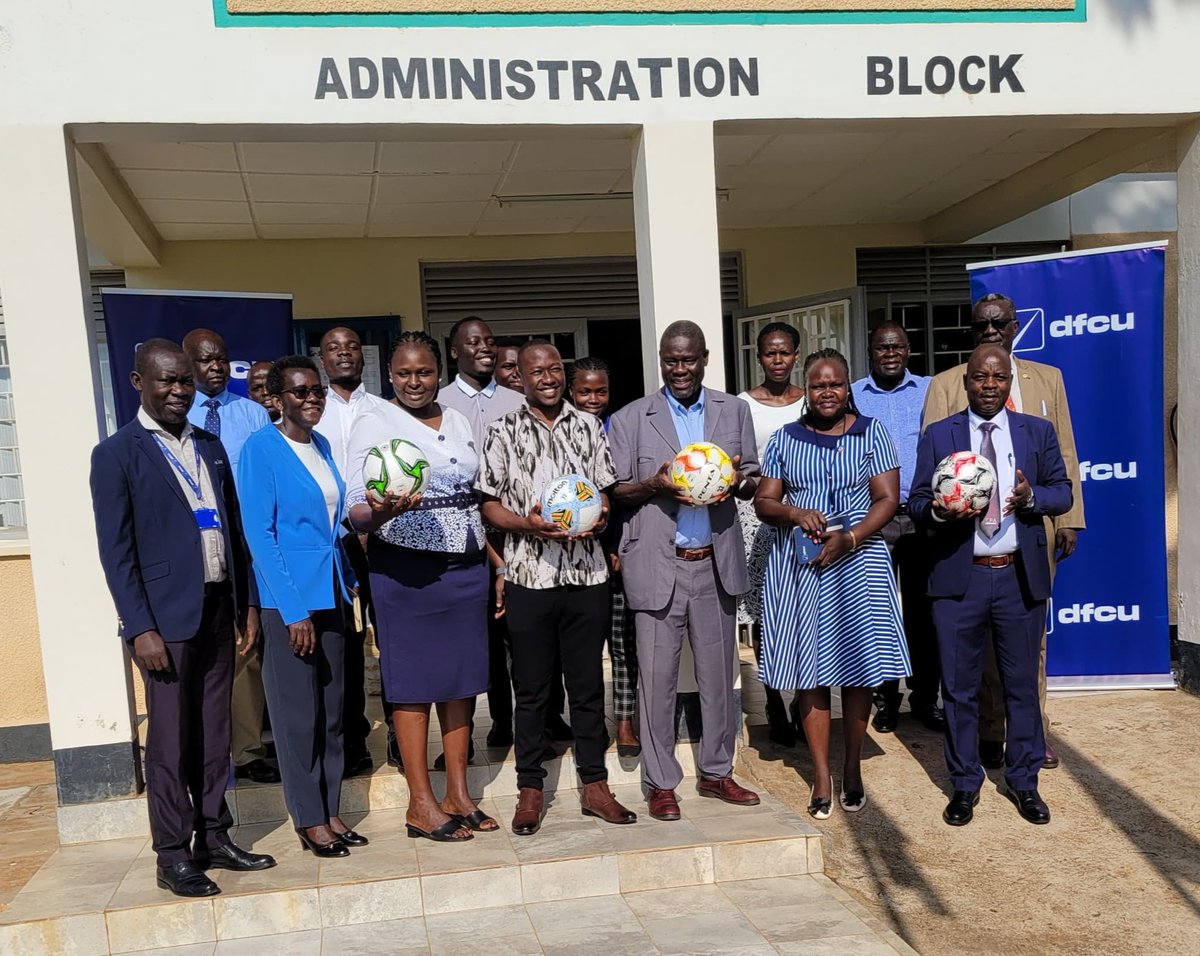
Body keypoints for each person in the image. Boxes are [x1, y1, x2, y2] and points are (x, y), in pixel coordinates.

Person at [90, 339, 275, 898]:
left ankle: (213, 836)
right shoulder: (117, 454)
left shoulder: (212, 447)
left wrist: (245, 604)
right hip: (163, 625)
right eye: (166, 381)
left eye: (185, 382)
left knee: (214, 732)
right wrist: (138, 627)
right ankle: (172, 854)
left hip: (219, 609)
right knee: (170, 741)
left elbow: (234, 533)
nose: (177, 391)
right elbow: (116, 551)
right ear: (137, 381)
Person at [909, 344, 1073, 827]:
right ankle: (964, 785)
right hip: (960, 581)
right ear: (966, 381)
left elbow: (1062, 490)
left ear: (1008, 382)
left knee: (1021, 686)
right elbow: (917, 501)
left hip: (1018, 577)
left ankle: (1024, 784)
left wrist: (1030, 498)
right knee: (958, 689)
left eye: (998, 378)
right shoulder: (941, 435)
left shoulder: (1036, 432)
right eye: (980, 377)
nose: (988, 385)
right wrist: (941, 509)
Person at [477, 340, 637, 835]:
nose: (546, 377)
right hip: (529, 575)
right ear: (519, 378)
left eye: (553, 369)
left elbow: (606, 495)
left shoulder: (589, 426)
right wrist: (527, 526)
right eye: (535, 371)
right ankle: (530, 788)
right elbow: (487, 504)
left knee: (588, 686)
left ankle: (595, 785)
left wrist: (602, 514)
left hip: (586, 575)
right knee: (531, 688)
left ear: (562, 376)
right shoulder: (501, 430)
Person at [923, 293, 1085, 770]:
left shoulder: (1046, 378)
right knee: (974, 658)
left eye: (999, 323)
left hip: (1028, 536)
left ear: (1015, 327)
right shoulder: (947, 383)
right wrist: (945, 506)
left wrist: (1068, 518)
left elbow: (1066, 454)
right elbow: (934, 466)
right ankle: (989, 734)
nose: (990, 331)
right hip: (966, 548)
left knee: (1027, 650)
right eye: (980, 325)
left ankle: (1031, 737)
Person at [346, 332, 497, 842]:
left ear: (439, 373)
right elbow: (356, 508)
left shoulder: (455, 418)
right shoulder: (373, 419)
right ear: (389, 375)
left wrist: (492, 562)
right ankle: (420, 803)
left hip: (466, 568)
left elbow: (472, 494)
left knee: (460, 684)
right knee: (412, 688)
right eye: (405, 373)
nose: (415, 382)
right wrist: (381, 510)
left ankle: (458, 793)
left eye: (424, 372)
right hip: (404, 571)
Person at [609, 321, 761, 822]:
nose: (680, 369)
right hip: (658, 565)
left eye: (689, 360)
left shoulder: (732, 410)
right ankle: (660, 782)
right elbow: (617, 492)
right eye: (671, 361)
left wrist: (738, 480)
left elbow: (752, 480)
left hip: (713, 563)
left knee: (720, 677)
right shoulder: (632, 418)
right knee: (657, 680)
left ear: (705, 358)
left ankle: (717, 772)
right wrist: (654, 483)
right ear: (661, 361)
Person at [754, 348, 909, 819]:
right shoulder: (784, 438)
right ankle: (822, 774)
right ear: (808, 388)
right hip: (800, 567)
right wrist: (794, 511)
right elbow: (764, 502)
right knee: (811, 672)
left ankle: (853, 767)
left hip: (858, 562)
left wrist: (853, 536)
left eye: (836, 384)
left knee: (858, 668)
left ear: (848, 389)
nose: (827, 392)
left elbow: (887, 498)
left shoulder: (872, 433)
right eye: (818, 384)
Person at [238, 356, 365, 857]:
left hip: (331, 592)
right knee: (297, 716)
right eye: (298, 392)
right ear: (277, 398)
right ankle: (308, 818)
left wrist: (348, 581)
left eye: (316, 390)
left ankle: (331, 809)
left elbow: (331, 525)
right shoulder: (261, 449)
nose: (311, 398)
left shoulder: (323, 444)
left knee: (332, 711)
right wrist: (293, 612)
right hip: (289, 601)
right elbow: (260, 537)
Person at [437, 318, 553, 750]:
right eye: (473, 342)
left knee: (526, 637)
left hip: (521, 533)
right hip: (464, 540)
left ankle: (539, 723)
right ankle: (494, 721)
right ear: (454, 352)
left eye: (489, 341)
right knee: (478, 638)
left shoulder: (517, 399)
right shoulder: (440, 402)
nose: (484, 348)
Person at [181, 329, 278, 785]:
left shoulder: (254, 414)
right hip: (195, 546)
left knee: (247, 645)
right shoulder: (178, 414)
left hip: (246, 540)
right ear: (187, 365)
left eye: (220, 358)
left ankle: (247, 749)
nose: (215, 367)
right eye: (204, 360)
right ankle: (203, 749)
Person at [851, 321, 943, 734]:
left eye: (898, 347)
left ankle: (925, 697)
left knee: (926, 612)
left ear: (909, 351)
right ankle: (886, 699)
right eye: (883, 348)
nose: (891, 354)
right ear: (871, 351)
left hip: (923, 514)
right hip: (875, 517)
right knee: (880, 613)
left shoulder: (929, 390)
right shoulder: (853, 393)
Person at [313, 326, 390, 777]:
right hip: (333, 543)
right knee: (345, 644)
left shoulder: (385, 411)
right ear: (321, 359)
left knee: (392, 637)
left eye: (351, 347)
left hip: (381, 536)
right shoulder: (312, 413)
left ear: (364, 356)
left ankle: (401, 734)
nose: (343, 355)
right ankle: (354, 739)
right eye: (333, 349)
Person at [737, 322, 807, 748]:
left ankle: (803, 698)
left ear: (797, 355)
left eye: (784, 353)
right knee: (765, 615)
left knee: (802, 610)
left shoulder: (809, 401)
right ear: (759, 357)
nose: (777, 360)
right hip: (756, 515)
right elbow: (742, 465)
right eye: (769, 353)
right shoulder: (744, 404)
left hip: (805, 512)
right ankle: (773, 703)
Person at [569, 357, 640, 757]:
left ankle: (626, 722)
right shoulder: (561, 435)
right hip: (572, 558)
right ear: (571, 392)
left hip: (616, 558)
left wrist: (615, 546)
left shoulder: (620, 431)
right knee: (582, 651)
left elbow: (621, 495)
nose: (593, 399)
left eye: (601, 391)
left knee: (623, 645)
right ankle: (590, 726)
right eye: (584, 391)